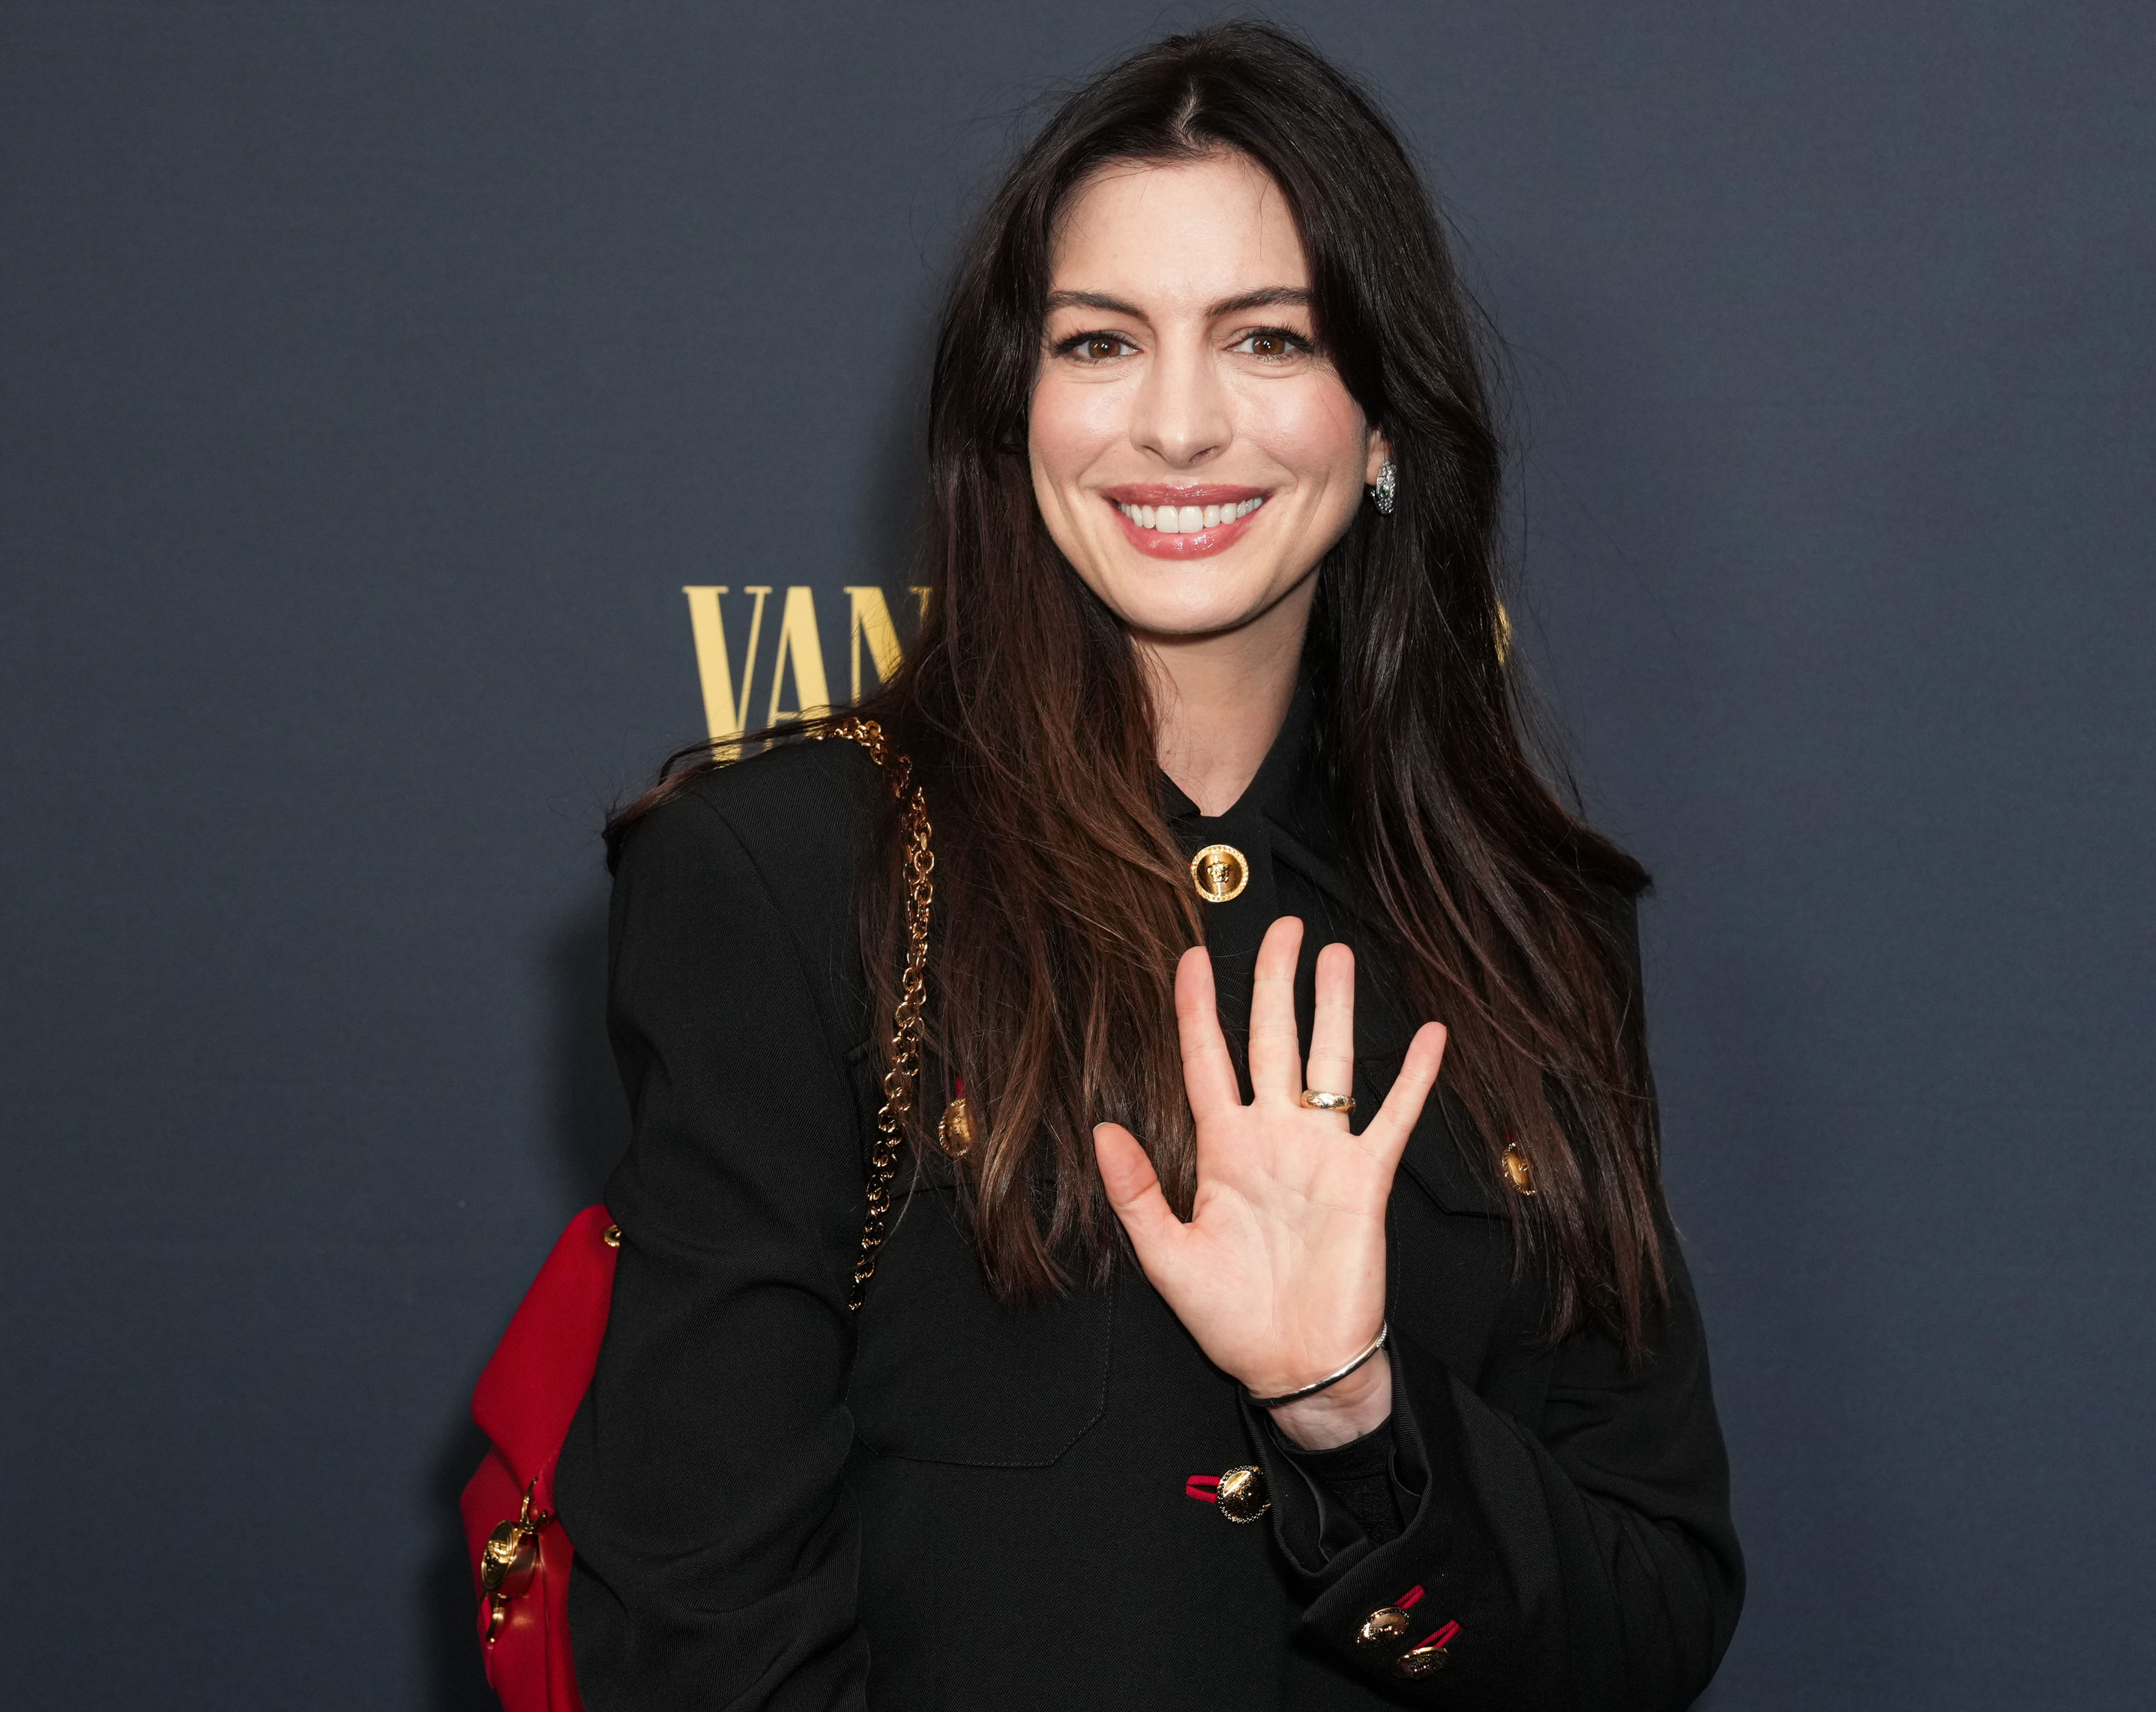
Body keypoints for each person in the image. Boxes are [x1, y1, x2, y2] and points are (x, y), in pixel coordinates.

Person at [558, 22, 1740, 1709]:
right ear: (1014, 407)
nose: (1177, 425)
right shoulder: (791, 877)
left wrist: (1357, 1410)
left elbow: (1646, 1623)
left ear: (1383, 419)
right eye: (1100, 341)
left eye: (1267, 337)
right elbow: (693, 1626)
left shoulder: (1529, 923)